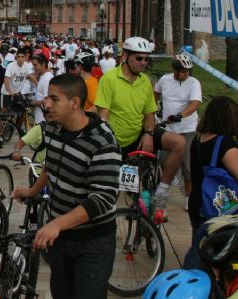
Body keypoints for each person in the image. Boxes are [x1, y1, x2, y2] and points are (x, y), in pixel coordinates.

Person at [13, 74, 121, 299]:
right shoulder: (52, 129)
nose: (47, 104)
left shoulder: (102, 141)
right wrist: (32, 192)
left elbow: (102, 199)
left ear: (75, 103)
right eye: (47, 98)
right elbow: (50, 165)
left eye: (54, 99)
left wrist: (57, 224)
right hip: (61, 239)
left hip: (93, 241)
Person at [96, 36, 185, 222]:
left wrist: (149, 134)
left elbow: (150, 114)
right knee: (110, 194)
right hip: (116, 141)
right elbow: (102, 117)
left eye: (146, 59)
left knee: (179, 143)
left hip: (141, 133)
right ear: (125, 56)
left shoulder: (145, 81)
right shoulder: (109, 79)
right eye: (139, 58)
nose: (143, 63)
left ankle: (160, 193)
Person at [154, 53, 202, 210]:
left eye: (188, 71)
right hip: (169, 129)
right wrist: (153, 110)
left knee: (188, 166)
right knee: (164, 161)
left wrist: (180, 116)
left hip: (188, 129)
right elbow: (155, 94)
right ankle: (167, 182)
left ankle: (189, 197)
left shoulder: (193, 83)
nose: (185, 74)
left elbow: (195, 104)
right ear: (175, 70)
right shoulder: (164, 80)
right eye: (183, 71)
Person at [187, 97, 238, 236]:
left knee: (200, 247)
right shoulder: (225, 144)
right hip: (221, 208)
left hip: (198, 203)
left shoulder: (198, 139)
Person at [30, 54, 53, 124]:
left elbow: (48, 101)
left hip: (43, 121)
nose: (33, 68)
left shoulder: (47, 79)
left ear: (43, 64)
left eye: (35, 65)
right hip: (40, 119)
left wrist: (32, 103)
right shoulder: (43, 77)